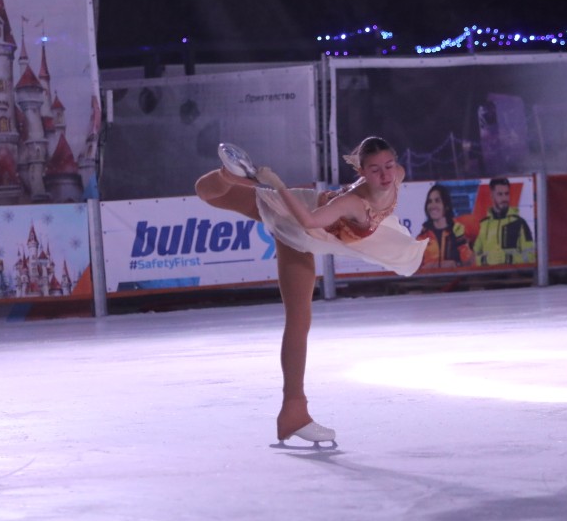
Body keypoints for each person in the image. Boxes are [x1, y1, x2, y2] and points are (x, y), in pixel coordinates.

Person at [194, 137, 426, 445]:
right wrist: (276, 185)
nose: (384, 175)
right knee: (214, 195)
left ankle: (293, 411)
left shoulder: (397, 176)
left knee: (300, 319)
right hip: (302, 218)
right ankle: (227, 174)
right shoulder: (353, 202)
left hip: (318, 233)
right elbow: (308, 222)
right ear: (363, 172)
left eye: (388, 166)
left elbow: (381, 182)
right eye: (374, 170)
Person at [473, 177, 534, 266]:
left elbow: (531, 256)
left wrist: (508, 258)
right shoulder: (484, 225)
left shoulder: (520, 223)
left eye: (507, 194)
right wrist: (486, 260)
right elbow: (472, 258)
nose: (504, 198)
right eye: (500, 194)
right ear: (492, 195)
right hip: (487, 278)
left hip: (514, 277)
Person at [417, 183, 472, 269]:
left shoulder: (458, 231)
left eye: (437, 201)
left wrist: (455, 264)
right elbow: (414, 269)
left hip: (457, 281)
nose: (433, 206)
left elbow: (469, 263)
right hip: (429, 282)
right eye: (430, 201)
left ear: (446, 206)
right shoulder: (422, 237)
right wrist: (432, 266)